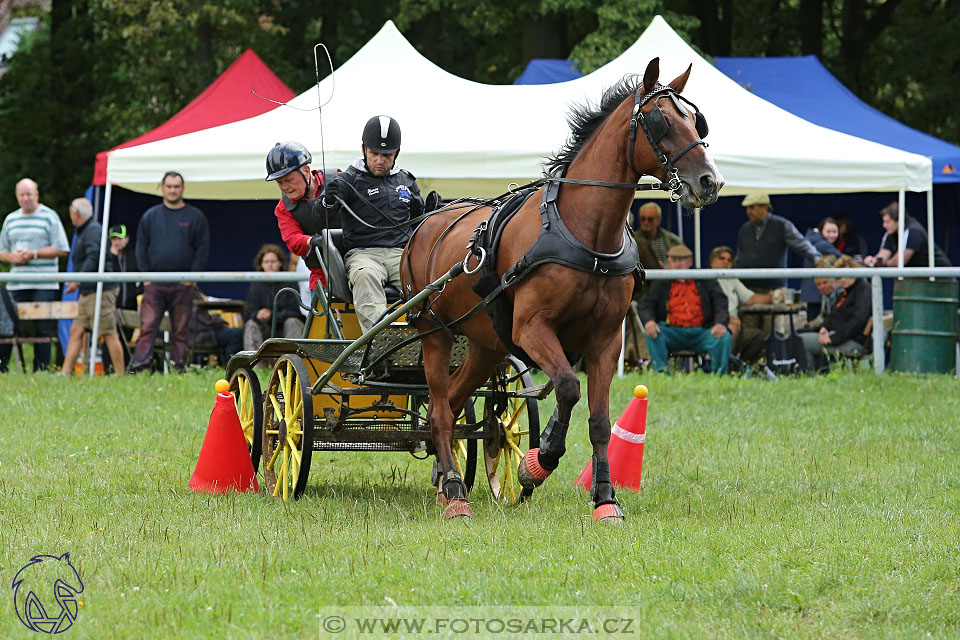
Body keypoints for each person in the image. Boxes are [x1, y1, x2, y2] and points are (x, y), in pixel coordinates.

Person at [324, 115, 440, 333]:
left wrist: (431, 214)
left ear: (396, 153)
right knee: (365, 274)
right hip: (363, 253)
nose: (380, 160)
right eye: (374, 153)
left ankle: (432, 334)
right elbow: (320, 215)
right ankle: (380, 338)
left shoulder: (407, 181)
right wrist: (327, 201)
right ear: (363, 149)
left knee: (427, 279)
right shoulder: (348, 179)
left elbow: (419, 226)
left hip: (401, 253)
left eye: (386, 155)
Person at [128, 171, 210, 373]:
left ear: (182, 188)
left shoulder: (195, 217)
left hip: (183, 283)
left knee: (181, 330)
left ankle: (177, 368)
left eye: (176, 187)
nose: (173, 190)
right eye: (169, 186)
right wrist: (146, 278)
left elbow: (202, 249)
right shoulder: (150, 216)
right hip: (154, 283)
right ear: (162, 188)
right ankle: (139, 368)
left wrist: (191, 278)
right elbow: (141, 248)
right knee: (147, 327)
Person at [0, 178, 70, 371]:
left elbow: (62, 249)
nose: (26, 199)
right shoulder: (11, 219)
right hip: (17, 282)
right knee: (4, 323)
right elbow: (2, 251)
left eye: (29, 194)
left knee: (43, 326)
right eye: (22, 195)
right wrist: (12, 258)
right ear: (17, 196)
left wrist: (35, 253)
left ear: (37, 194)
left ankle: (41, 368)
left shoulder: (49, 216)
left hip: (43, 281)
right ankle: (2, 367)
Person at [636, 244, 732, 374]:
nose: (678, 264)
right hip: (673, 332)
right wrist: (649, 321)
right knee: (653, 335)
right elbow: (645, 304)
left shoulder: (704, 278)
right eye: (674, 260)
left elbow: (720, 301)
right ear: (668, 262)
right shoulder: (661, 282)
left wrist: (720, 323)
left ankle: (721, 377)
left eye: (682, 260)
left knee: (724, 337)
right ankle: (662, 375)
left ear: (690, 261)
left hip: (702, 332)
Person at [59, 198, 125, 376]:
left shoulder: (92, 231)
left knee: (109, 333)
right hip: (89, 290)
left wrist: (78, 279)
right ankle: (65, 373)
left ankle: (121, 376)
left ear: (76, 214)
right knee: (76, 329)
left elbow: (94, 257)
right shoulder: (86, 230)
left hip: (101, 290)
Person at [265, 141, 339, 293]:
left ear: (306, 171)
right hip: (322, 278)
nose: (284, 187)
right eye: (280, 182)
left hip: (359, 266)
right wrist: (312, 240)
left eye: (289, 180)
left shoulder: (338, 180)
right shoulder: (283, 208)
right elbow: (292, 240)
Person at [734, 191, 822, 292]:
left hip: (774, 289)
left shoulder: (782, 225)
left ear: (765, 207)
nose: (748, 211)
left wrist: (818, 261)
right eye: (747, 208)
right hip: (746, 289)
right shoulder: (745, 229)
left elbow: (802, 245)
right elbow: (740, 257)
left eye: (752, 207)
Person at [800, 255, 872, 369]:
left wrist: (833, 339)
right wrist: (824, 328)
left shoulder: (863, 289)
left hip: (854, 341)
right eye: (839, 277)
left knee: (801, 341)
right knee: (800, 335)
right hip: (841, 337)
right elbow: (835, 315)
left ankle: (810, 378)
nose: (843, 280)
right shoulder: (847, 292)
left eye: (846, 275)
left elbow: (857, 321)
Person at [709, 246, 771, 362]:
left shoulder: (732, 278)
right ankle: (725, 367)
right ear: (712, 262)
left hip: (737, 325)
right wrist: (727, 319)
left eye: (729, 260)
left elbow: (750, 298)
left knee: (760, 337)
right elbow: (707, 309)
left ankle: (739, 366)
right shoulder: (706, 279)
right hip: (716, 324)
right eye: (722, 258)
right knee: (732, 329)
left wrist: (772, 298)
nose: (726, 262)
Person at [243, 244, 304, 351]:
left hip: (286, 327)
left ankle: (295, 362)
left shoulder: (290, 280)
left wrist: (272, 315)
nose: (270, 265)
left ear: (280, 263)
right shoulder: (256, 283)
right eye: (266, 262)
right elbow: (250, 310)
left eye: (273, 261)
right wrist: (258, 314)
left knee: (292, 322)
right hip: (266, 327)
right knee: (251, 324)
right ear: (261, 265)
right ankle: (254, 365)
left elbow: (295, 311)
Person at [863, 202, 952, 268]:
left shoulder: (914, 231)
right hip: (918, 278)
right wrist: (872, 260)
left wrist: (883, 263)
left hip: (940, 277)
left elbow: (898, 261)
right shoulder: (890, 233)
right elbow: (882, 257)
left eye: (887, 222)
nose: (884, 225)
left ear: (898, 221)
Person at [799, 217, 842, 315]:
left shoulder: (812, 241)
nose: (832, 235)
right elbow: (843, 260)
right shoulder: (822, 244)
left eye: (835, 231)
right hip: (817, 295)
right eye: (828, 231)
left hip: (813, 294)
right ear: (821, 231)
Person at [633, 202, 682, 272]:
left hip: (671, 277)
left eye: (650, 219)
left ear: (659, 220)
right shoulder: (633, 241)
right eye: (643, 219)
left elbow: (684, 261)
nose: (646, 222)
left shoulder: (673, 239)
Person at [107, 224, 142, 311]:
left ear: (127, 239)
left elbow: (142, 276)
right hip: (111, 306)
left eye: (119, 238)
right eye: (113, 239)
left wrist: (136, 292)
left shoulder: (134, 256)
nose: (116, 242)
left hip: (131, 305)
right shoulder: (106, 258)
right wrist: (113, 256)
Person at [801, 255, 840, 331]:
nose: (822, 287)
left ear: (835, 280)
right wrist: (811, 324)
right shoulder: (826, 294)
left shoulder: (842, 292)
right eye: (818, 284)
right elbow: (823, 316)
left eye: (825, 283)